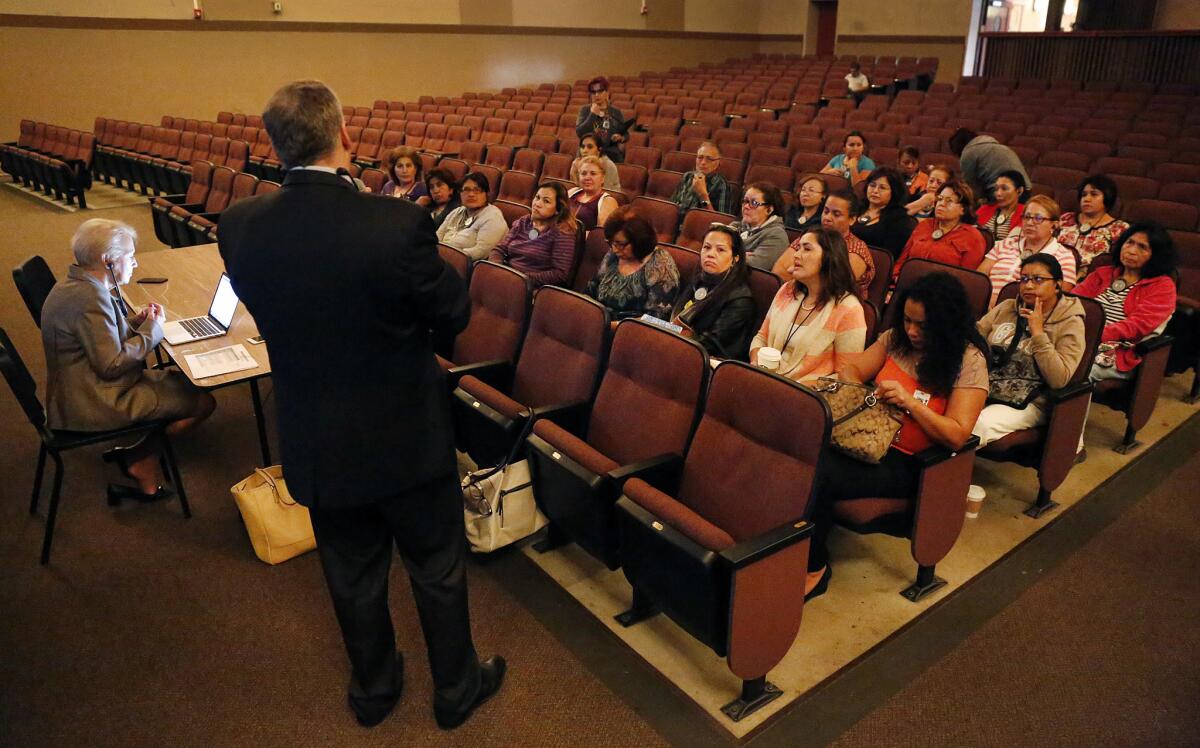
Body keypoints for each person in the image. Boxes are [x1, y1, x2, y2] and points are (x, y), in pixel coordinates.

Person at [218, 80, 504, 731]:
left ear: (276, 145)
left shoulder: (239, 226)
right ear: (345, 136)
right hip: (405, 433)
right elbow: (454, 312)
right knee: (435, 566)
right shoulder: (396, 223)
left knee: (350, 571)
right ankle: (456, 689)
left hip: (316, 435)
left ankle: (375, 687)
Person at [804, 272, 989, 599]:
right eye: (907, 320)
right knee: (800, 455)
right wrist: (864, 392)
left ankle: (815, 568)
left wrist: (908, 403)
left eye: (923, 326)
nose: (913, 331)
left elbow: (958, 435)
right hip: (868, 440)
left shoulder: (968, 361)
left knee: (820, 475)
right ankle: (789, 549)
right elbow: (852, 370)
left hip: (912, 463)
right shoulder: (895, 340)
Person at [40, 218, 215, 501]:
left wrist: (138, 322)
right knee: (204, 402)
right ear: (108, 260)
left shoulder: (77, 284)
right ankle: (142, 458)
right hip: (93, 397)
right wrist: (153, 333)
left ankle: (140, 451)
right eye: (130, 257)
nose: (135, 264)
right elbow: (110, 365)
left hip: (78, 385)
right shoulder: (90, 298)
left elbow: (100, 335)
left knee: (181, 382)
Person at [973, 253, 1086, 447]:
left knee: (976, 425)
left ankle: (949, 475)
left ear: (1058, 284)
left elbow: (1059, 378)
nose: (1029, 285)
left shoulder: (1070, 321)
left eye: (1038, 279)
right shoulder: (1007, 307)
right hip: (985, 386)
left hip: (1031, 401)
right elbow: (973, 338)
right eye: (1024, 279)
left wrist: (1038, 333)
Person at [750, 227, 866, 381]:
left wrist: (798, 389)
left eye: (807, 249)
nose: (796, 255)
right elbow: (761, 337)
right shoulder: (788, 290)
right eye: (798, 248)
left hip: (807, 396)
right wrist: (756, 360)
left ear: (829, 257)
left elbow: (845, 378)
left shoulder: (849, 309)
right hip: (765, 379)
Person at [1073, 222, 1178, 382]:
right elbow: (1070, 303)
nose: (1131, 250)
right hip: (1077, 338)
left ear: (1156, 255)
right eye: (1129, 242)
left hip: (1117, 351)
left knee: (1072, 372)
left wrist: (1091, 335)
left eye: (1142, 247)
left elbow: (1136, 327)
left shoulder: (1163, 286)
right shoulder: (1102, 274)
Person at [671, 224, 757, 360]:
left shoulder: (740, 300)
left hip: (706, 362)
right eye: (706, 247)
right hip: (679, 346)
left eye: (721, 250)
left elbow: (709, 345)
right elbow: (675, 318)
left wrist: (666, 340)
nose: (710, 254)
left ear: (735, 258)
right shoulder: (700, 279)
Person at [773, 188, 875, 300]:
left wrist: (799, 277)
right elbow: (779, 271)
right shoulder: (810, 236)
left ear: (851, 219)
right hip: (797, 298)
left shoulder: (856, 248)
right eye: (826, 211)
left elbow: (835, 286)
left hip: (838, 308)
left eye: (836, 214)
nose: (827, 218)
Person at [977, 195, 1076, 305]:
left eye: (1038, 218)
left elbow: (1057, 299)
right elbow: (980, 279)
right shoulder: (1006, 243)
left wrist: (1002, 305)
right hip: (983, 304)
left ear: (1054, 225)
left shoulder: (1064, 256)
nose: (1029, 223)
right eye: (1027, 217)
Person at [586, 207, 679, 321]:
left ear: (639, 240)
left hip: (630, 331)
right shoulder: (613, 255)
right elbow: (590, 290)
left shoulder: (660, 263)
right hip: (597, 321)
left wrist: (611, 326)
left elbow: (657, 318)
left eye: (621, 244)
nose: (615, 249)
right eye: (611, 243)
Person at [893, 178, 987, 280]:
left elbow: (966, 279)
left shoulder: (973, 237)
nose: (941, 204)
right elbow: (902, 261)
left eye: (949, 201)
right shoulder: (925, 225)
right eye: (940, 198)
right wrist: (896, 277)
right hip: (906, 283)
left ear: (963, 209)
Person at [488, 182, 579, 288]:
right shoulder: (523, 221)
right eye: (537, 197)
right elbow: (499, 249)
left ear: (558, 210)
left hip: (531, 287)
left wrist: (521, 279)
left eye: (546, 201)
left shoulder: (563, 232)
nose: (537, 204)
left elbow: (560, 274)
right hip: (506, 276)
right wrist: (496, 267)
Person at [1056, 175, 1130, 273]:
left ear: (1107, 197)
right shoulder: (1066, 218)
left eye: (1094, 194)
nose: (1087, 199)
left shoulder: (1119, 228)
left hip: (1091, 279)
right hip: (1054, 271)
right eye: (1084, 194)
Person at [436, 171, 507, 260]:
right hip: (439, 259)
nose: (471, 194)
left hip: (465, 266)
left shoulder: (493, 217)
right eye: (466, 190)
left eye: (477, 190)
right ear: (460, 193)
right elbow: (438, 236)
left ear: (487, 193)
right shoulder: (456, 212)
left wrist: (447, 256)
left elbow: (481, 252)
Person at [850, 167, 917, 259]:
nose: (875, 191)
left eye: (882, 188)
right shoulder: (855, 207)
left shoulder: (899, 220)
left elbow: (887, 257)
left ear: (894, 192)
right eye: (872, 185)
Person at [949, 127, 1030, 203]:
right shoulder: (1000, 147)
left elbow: (971, 189)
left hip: (1002, 194)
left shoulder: (968, 153)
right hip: (1025, 190)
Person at [729, 182, 790, 271]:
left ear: (769, 210)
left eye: (754, 203)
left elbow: (753, 266)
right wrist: (742, 255)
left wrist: (727, 253)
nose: (746, 206)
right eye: (745, 201)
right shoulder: (735, 226)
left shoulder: (776, 236)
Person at [668, 141, 734, 219]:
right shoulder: (687, 176)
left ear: (718, 162)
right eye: (700, 157)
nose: (703, 162)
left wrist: (703, 195)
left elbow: (720, 222)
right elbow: (672, 206)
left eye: (709, 159)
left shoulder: (722, 185)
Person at [575, 76, 628, 163]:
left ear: (607, 92)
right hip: (588, 156)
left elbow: (625, 133)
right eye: (593, 92)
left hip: (611, 156)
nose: (596, 95)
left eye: (600, 91)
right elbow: (580, 133)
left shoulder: (616, 112)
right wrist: (592, 114)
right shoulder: (585, 110)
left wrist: (621, 137)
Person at [567, 155, 619, 230]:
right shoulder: (572, 192)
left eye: (593, 173)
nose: (587, 178)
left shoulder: (607, 201)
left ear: (602, 178)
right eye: (583, 173)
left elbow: (599, 236)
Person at [975, 170, 1027, 243]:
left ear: (1019, 191)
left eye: (1004, 188)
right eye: (996, 189)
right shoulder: (985, 209)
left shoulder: (1026, 213)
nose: (998, 193)